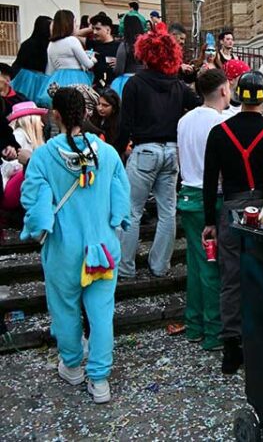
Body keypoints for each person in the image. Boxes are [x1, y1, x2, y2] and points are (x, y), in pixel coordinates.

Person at [20, 87, 130, 404]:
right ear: (86, 113)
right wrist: (117, 221)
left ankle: (71, 365)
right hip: (103, 248)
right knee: (101, 313)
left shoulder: (43, 155)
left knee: (65, 310)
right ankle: (99, 380)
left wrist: (38, 226)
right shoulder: (106, 153)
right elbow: (120, 198)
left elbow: (34, 201)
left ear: (55, 114)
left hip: (63, 248)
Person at [203, 71, 263, 373]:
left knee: (231, 278)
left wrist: (209, 220)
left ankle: (231, 348)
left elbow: (210, 182)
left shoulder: (219, 133)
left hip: (232, 206)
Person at [117, 28, 201, 279]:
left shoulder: (135, 83)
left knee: (132, 210)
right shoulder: (178, 85)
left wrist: (117, 150)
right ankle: (160, 266)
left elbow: (125, 124)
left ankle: (126, 267)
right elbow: (198, 104)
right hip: (172, 151)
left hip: (145, 151)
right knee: (168, 212)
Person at [176, 69, 231, 354]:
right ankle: (213, 331)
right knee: (212, 266)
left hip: (187, 194)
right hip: (211, 197)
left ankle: (194, 324)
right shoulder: (222, 121)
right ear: (224, 90)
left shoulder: (185, 120)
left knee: (197, 263)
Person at [37, 10, 95, 108]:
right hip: (77, 78)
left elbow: (50, 69)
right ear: (69, 23)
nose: (76, 25)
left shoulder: (51, 44)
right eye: (74, 22)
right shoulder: (72, 40)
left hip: (56, 79)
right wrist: (93, 58)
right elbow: (88, 64)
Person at [1, 102, 45, 214]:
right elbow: (7, 168)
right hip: (8, 189)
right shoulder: (19, 136)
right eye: (39, 120)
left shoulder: (25, 138)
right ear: (31, 121)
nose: (42, 125)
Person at [11, 16, 53, 104]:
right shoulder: (49, 46)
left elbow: (17, 63)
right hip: (40, 80)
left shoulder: (26, 44)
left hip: (24, 80)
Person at [112, 15, 145, 96]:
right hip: (145, 80)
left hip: (127, 81)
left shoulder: (125, 45)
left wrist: (114, 67)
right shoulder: (146, 45)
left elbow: (119, 70)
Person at [86, 14, 119, 90]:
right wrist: (90, 28)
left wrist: (120, 62)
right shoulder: (92, 43)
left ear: (108, 30)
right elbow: (76, 35)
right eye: (93, 29)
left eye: (98, 29)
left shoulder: (119, 46)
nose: (94, 32)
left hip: (113, 87)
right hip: (95, 86)